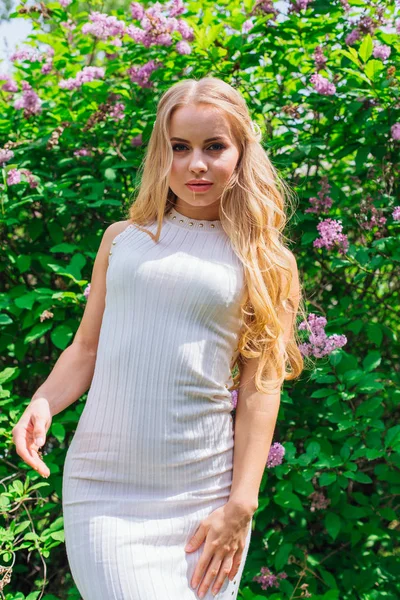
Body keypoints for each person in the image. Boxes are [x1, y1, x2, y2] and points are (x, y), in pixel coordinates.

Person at [12, 76, 305, 599]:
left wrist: (241, 505)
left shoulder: (267, 262)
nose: (196, 164)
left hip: (206, 495)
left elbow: (263, 386)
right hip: (105, 490)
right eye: (180, 147)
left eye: (214, 147)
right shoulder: (123, 241)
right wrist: (43, 402)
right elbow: (86, 348)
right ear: (160, 154)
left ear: (241, 152)